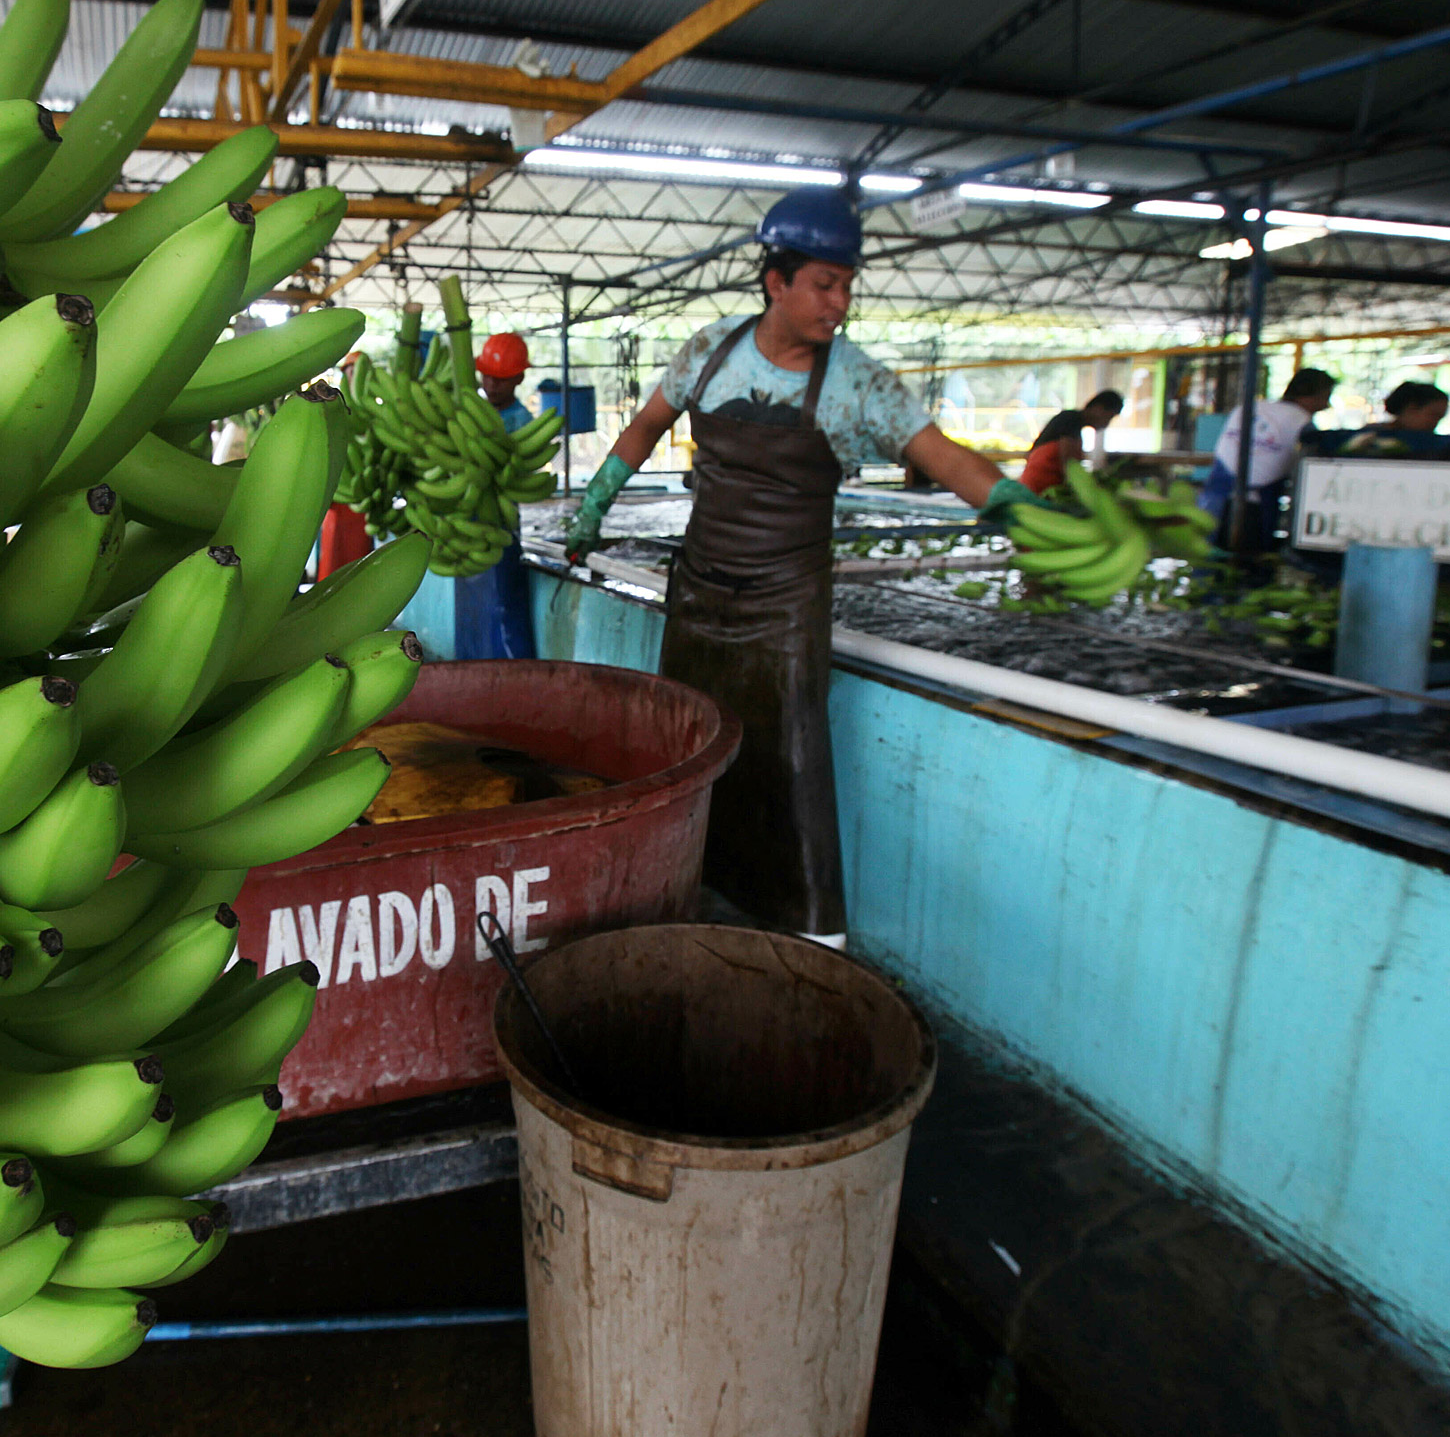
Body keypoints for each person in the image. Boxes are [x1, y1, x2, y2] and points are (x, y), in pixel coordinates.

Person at [559, 189, 1030, 941]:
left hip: (784, 606)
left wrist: (1016, 503)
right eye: (825, 283)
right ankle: (686, 893)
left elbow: (943, 458)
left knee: (793, 765)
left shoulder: (859, 382)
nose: (840, 302)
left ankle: (815, 937)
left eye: (848, 284)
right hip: (701, 590)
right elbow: (645, 426)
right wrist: (594, 506)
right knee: (690, 747)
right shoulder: (711, 349)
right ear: (776, 280)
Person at [453, 332, 539, 659]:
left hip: (500, 526)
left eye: (501, 379)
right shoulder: (468, 410)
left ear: (518, 378)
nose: (491, 384)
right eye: (486, 375)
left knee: (505, 608)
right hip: (465, 526)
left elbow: (518, 477)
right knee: (470, 616)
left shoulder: (522, 423)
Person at [1199, 367, 1333, 550]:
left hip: (1214, 498)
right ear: (1314, 395)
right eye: (1326, 397)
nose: (1326, 405)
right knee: (1251, 564)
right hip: (1258, 508)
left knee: (1205, 555)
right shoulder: (1302, 423)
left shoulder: (1248, 407)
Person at [1019, 389, 1123, 494]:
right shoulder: (1071, 419)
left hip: (1044, 487)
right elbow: (1069, 463)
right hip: (1040, 487)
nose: (1107, 424)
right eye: (1109, 417)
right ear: (1098, 408)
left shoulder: (1075, 424)